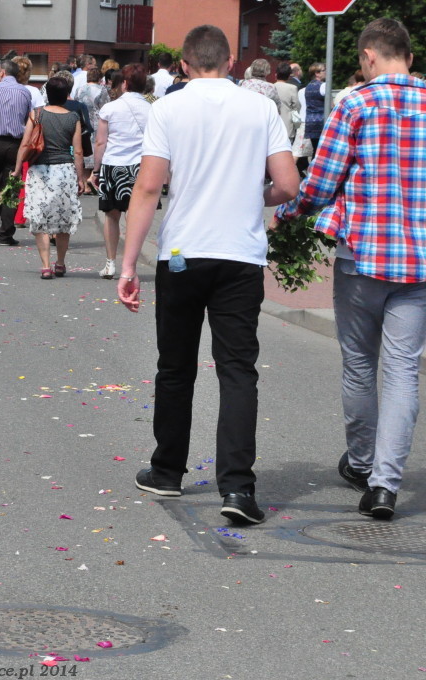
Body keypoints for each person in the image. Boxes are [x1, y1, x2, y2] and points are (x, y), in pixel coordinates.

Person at [117, 25, 299, 525]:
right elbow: (288, 185)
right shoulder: (260, 108)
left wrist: (128, 264)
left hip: (183, 251)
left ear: (184, 64)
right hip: (240, 255)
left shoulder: (168, 108)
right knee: (237, 369)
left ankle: (167, 470)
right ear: (231, 62)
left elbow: (148, 188)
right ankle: (237, 488)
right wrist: (254, 196)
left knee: (176, 366)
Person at [275, 18, 426, 520]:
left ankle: (362, 463)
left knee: (360, 364)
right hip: (419, 263)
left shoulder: (356, 104)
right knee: (403, 371)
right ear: (408, 55)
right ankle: (385, 485)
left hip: (361, 257)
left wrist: (289, 213)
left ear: (368, 56)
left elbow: (320, 183)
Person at [14, 74, 85, 278]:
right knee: (63, 219)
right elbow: (78, 151)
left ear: (47, 94)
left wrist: (17, 169)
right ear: (66, 95)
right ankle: (60, 263)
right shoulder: (73, 118)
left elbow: (25, 144)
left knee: (40, 219)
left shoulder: (36, 114)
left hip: (40, 171)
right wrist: (80, 178)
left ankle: (46, 266)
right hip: (64, 171)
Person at [90, 63, 150, 280]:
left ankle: (110, 263)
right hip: (141, 167)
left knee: (111, 216)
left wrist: (95, 170)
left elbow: (100, 142)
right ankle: (130, 265)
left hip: (113, 164)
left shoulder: (110, 108)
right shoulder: (152, 109)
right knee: (136, 217)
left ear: (124, 84)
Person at [0, 59, 32, 246]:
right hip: (15, 144)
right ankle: (6, 232)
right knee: (11, 186)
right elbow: (27, 118)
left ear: (2, 72)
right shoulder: (24, 92)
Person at [303, 62, 327, 152]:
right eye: (324, 70)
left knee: (316, 150)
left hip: (310, 122)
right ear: (317, 73)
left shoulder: (308, 86)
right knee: (322, 151)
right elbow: (331, 104)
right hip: (322, 121)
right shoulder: (323, 85)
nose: (326, 72)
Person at [274, 61, 300, 144]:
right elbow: (296, 106)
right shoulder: (292, 88)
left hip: (273, 123)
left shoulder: (271, 87)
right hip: (287, 124)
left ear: (276, 75)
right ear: (289, 76)